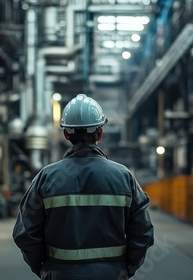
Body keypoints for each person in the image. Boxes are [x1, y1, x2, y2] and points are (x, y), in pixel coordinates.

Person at [13, 94, 154, 279]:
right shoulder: (124, 177)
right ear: (100, 133)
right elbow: (143, 232)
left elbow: (25, 234)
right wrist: (126, 268)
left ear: (65, 134)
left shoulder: (45, 178)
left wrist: (44, 268)